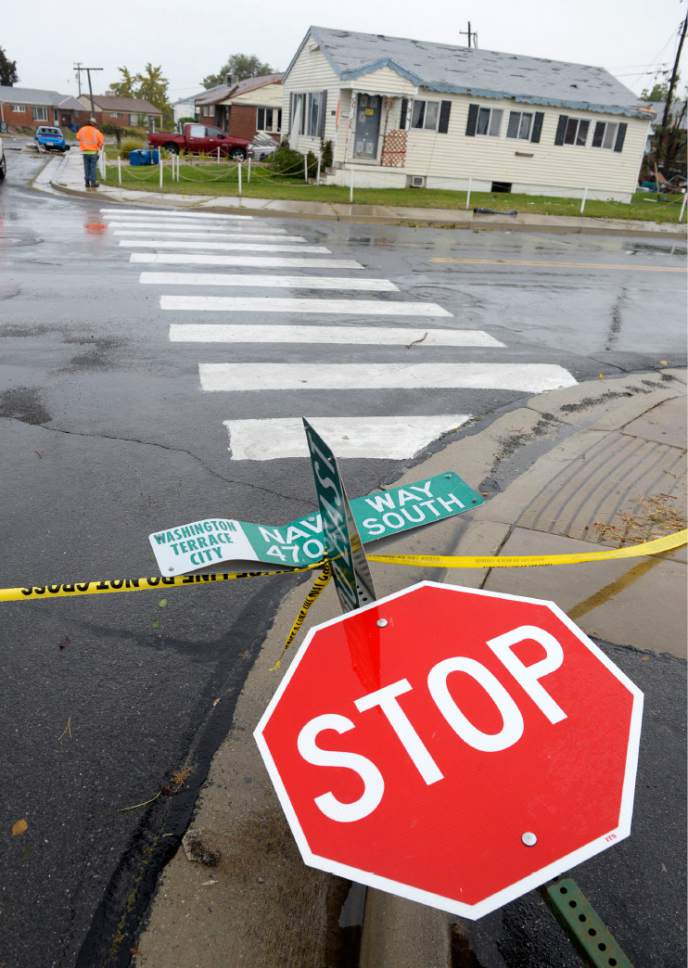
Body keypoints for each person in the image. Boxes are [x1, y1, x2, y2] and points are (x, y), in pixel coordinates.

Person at [76, 117, 105, 190]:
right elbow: (101, 142)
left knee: (86, 168)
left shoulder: (82, 130)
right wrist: (99, 147)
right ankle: (93, 183)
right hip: (93, 152)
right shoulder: (96, 131)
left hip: (85, 152)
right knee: (93, 168)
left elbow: (78, 137)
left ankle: (87, 182)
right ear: (94, 124)